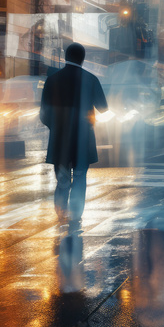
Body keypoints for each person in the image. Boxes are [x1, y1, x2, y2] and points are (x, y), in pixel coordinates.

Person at [40, 43, 108, 226]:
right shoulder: (91, 79)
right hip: (83, 141)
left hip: (59, 141)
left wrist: (56, 128)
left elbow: (43, 114)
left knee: (62, 179)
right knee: (79, 178)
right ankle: (75, 215)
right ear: (83, 58)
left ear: (65, 56)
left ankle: (61, 213)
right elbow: (103, 108)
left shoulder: (52, 80)